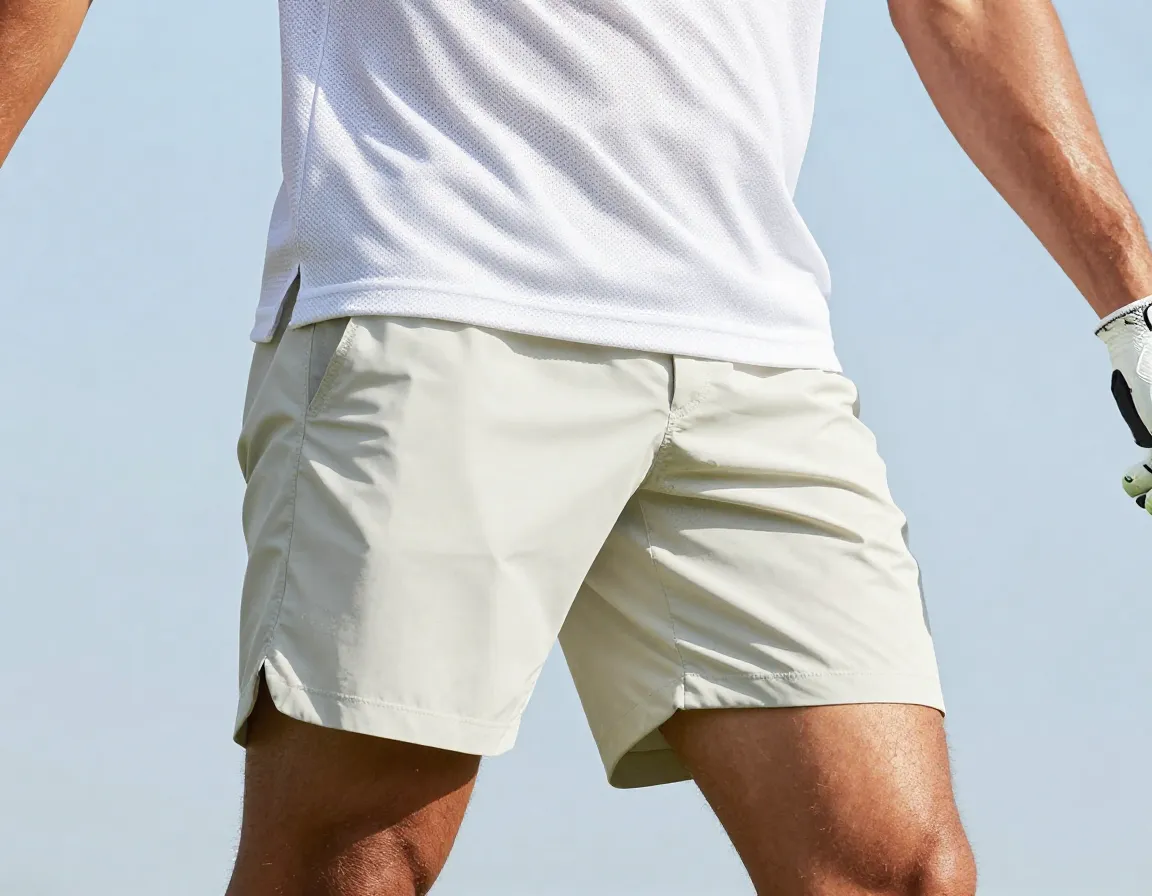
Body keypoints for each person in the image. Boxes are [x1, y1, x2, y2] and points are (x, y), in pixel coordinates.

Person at [5, 1, 1151, 893]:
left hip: (749, 338)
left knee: (898, 868)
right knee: (358, 859)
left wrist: (1136, 308)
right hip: (435, 286)